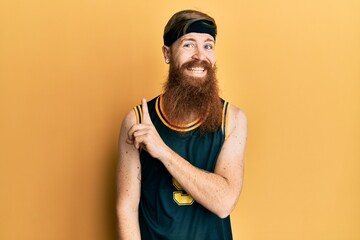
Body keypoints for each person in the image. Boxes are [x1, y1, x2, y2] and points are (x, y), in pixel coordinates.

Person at [116, 9, 247, 240]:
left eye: (208, 45)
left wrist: (162, 151)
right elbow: (126, 208)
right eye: (188, 45)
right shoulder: (138, 120)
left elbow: (224, 202)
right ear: (167, 53)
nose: (200, 56)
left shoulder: (232, 119)